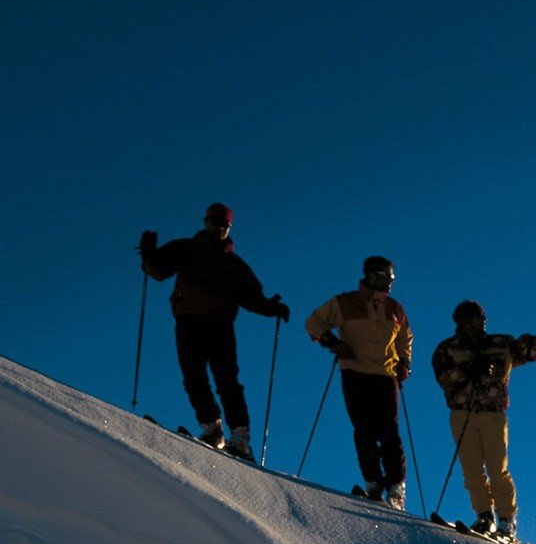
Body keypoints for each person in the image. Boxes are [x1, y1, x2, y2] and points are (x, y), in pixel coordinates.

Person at [138, 203, 289, 459]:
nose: (219, 226)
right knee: (196, 375)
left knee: (223, 378)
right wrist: (149, 255)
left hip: (215, 323)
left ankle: (235, 436)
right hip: (192, 320)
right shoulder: (192, 249)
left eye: (224, 223)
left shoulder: (231, 263)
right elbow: (158, 269)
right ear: (206, 221)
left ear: (228, 227)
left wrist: (271, 307)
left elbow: (252, 297)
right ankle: (216, 429)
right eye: (215, 221)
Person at [431, 301, 536, 540]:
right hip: (462, 413)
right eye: (477, 319)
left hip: (493, 414)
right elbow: (444, 377)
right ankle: (484, 516)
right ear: (463, 322)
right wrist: (473, 370)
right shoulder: (447, 349)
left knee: (497, 469)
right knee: (472, 470)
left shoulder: (500, 344)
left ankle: (506, 520)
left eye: (483, 319)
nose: (482, 323)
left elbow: (532, 348)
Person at [304, 257, 414, 510]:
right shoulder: (345, 302)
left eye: (392, 279)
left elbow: (405, 338)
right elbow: (313, 323)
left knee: (388, 431)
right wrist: (332, 343)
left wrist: (404, 362)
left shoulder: (395, 308)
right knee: (364, 429)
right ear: (371, 276)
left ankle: (396, 487)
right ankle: (373, 482)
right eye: (385, 277)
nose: (389, 283)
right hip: (354, 371)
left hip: (385, 374)